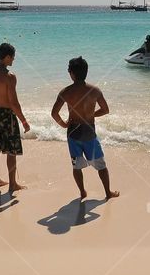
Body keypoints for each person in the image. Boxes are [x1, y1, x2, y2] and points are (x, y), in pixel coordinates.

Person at [51, 57, 119, 200]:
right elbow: (105, 110)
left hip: (73, 133)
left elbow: (54, 113)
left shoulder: (66, 92)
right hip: (89, 132)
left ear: (71, 73)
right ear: (86, 72)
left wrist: (64, 124)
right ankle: (107, 192)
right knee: (101, 165)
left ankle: (82, 192)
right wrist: (91, 114)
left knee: (76, 166)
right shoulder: (95, 91)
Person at [0, 43, 30, 191]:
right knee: (11, 150)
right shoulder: (9, 77)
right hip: (7, 115)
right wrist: (23, 120)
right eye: (13, 57)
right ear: (7, 57)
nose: (14, 60)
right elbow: (14, 102)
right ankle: (13, 184)